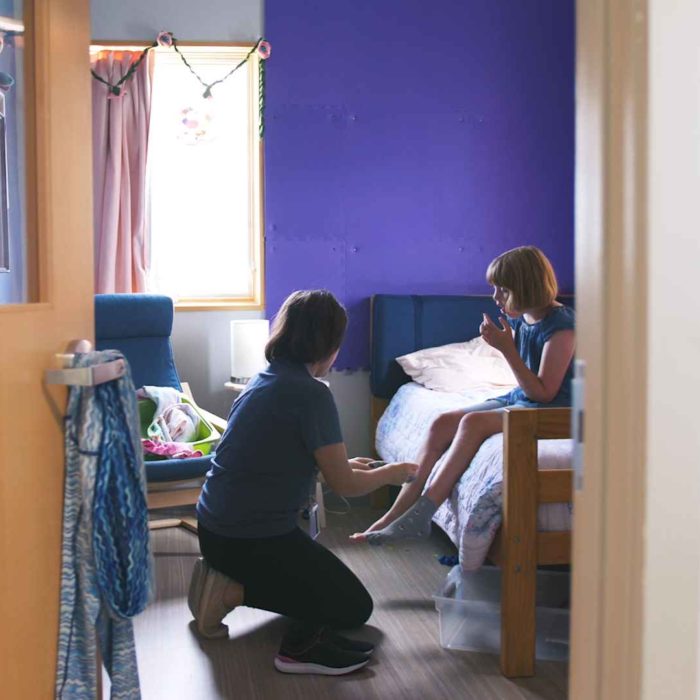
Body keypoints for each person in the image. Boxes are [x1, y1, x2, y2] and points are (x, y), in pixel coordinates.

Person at [188, 290, 418, 676]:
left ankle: (225, 578)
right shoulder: (311, 394)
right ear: (328, 344)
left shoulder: (267, 380)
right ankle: (232, 594)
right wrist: (395, 473)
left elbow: (301, 460)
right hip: (251, 539)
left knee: (332, 592)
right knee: (353, 608)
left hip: (216, 528)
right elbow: (343, 485)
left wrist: (348, 464)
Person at [351, 245, 575, 546]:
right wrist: (507, 347)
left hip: (556, 411)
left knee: (472, 423)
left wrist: (507, 351)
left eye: (503, 290)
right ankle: (392, 516)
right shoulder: (526, 319)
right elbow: (529, 387)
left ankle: (422, 515)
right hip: (525, 398)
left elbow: (546, 393)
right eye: (495, 289)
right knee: (443, 422)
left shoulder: (562, 327)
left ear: (526, 288)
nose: (496, 298)